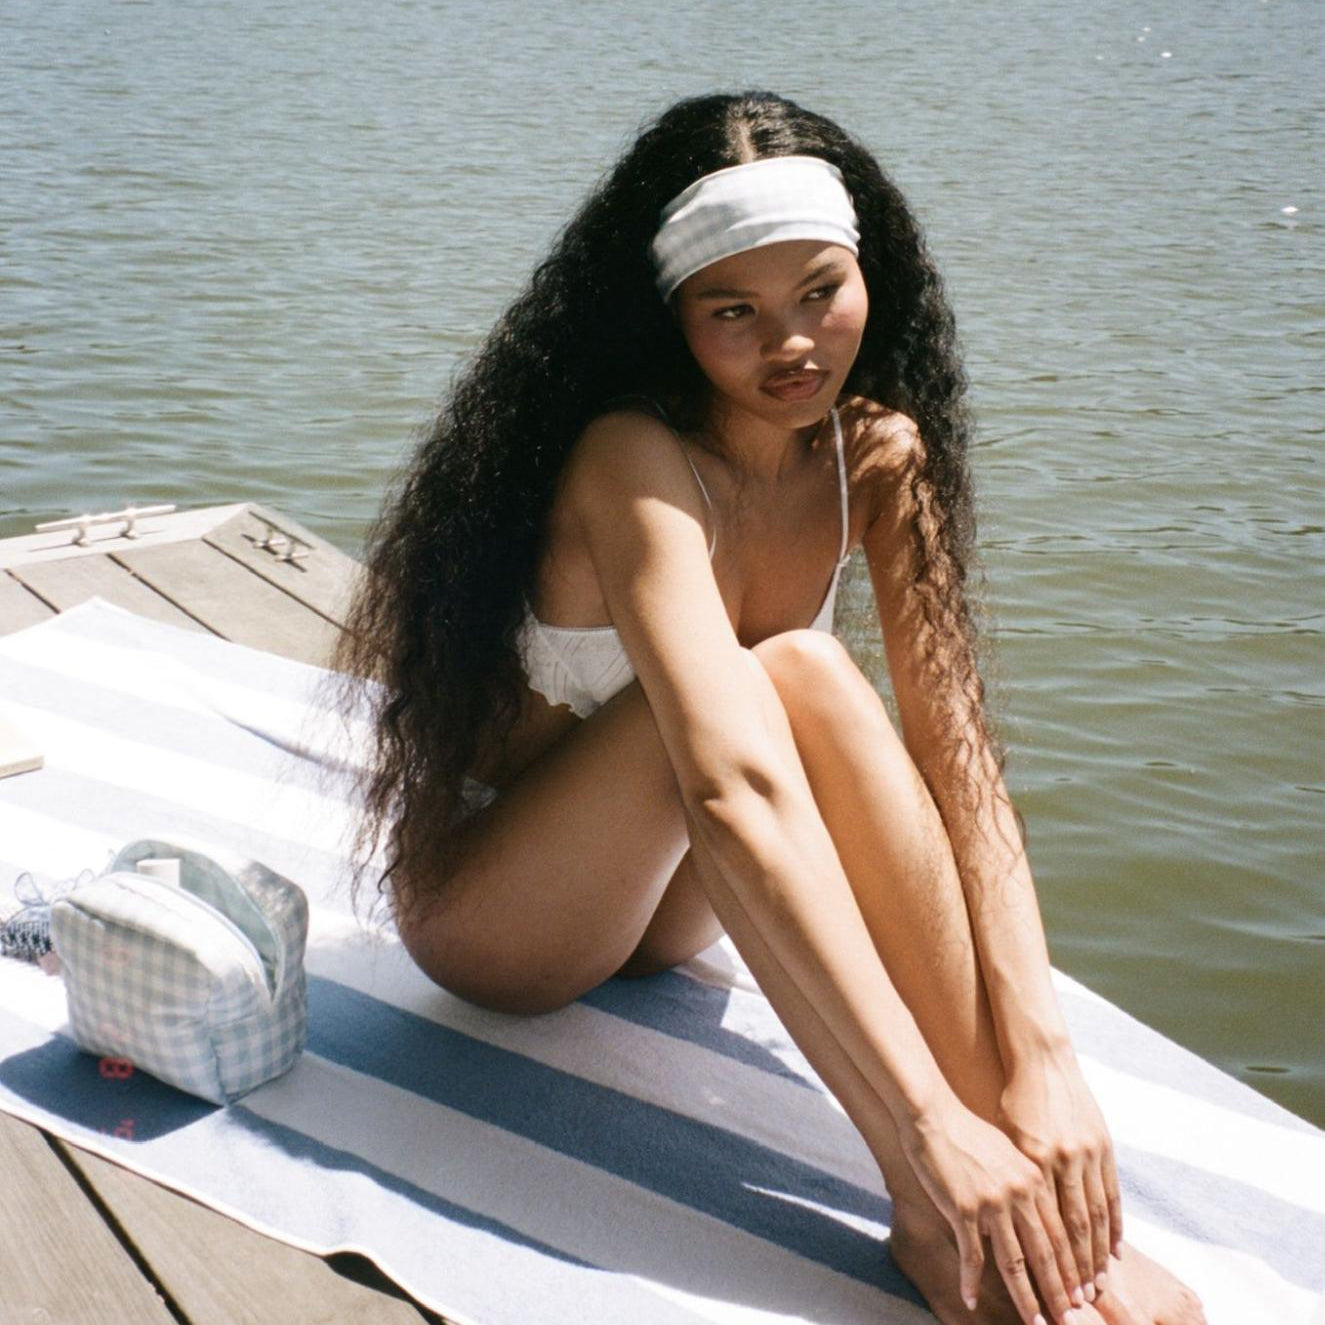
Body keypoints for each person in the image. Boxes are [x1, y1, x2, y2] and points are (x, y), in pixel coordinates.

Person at [335, 91, 1205, 1325]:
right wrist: (924, 1124)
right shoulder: (629, 456)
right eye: (731, 310)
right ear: (672, 317)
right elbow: (729, 782)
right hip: (505, 919)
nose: (789, 342)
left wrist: (1042, 1068)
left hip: (671, 909)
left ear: (870, 275)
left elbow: (960, 765)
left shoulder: (875, 455)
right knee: (752, 684)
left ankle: (1027, 1201)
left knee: (808, 672)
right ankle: (937, 1201)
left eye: (817, 291)